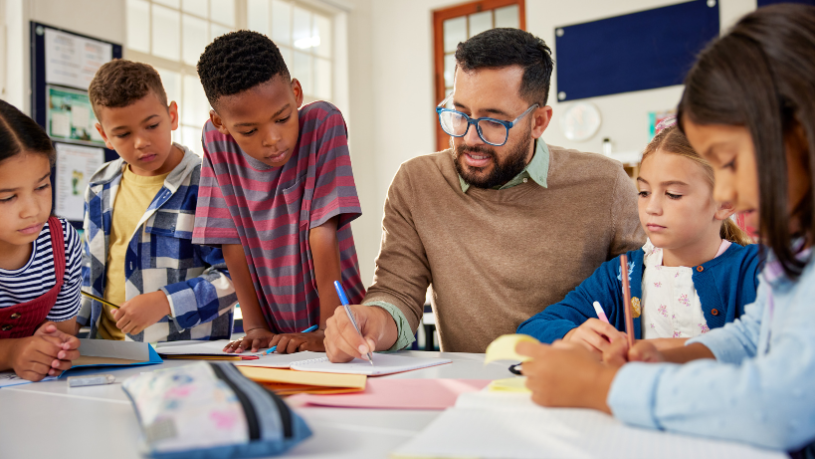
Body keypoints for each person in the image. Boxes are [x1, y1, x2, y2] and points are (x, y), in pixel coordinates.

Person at [518, 5, 815, 454]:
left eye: (730, 163)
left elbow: (781, 405)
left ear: (801, 131)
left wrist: (603, 390)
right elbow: (756, 333)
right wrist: (669, 354)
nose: (728, 193)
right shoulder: (793, 252)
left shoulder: (762, 260)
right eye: (644, 191)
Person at [324, 28, 645, 361]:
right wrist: (370, 321)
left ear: (538, 122)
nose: (470, 138)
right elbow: (397, 294)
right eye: (460, 113)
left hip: (577, 383)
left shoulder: (605, 185)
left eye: (494, 121)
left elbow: (650, 292)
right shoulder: (417, 183)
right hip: (471, 393)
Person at [517, 123, 760, 354]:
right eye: (644, 192)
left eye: (673, 194)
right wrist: (570, 336)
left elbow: (774, 346)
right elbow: (531, 331)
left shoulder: (759, 270)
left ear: (726, 203)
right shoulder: (622, 274)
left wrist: (660, 350)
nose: (651, 207)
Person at [192, 31, 365, 354]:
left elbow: (322, 230)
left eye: (282, 118)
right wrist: (255, 326)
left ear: (296, 93)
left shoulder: (322, 124)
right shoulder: (216, 143)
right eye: (249, 130)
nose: (272, 138)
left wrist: (330, 328)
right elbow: (231, 239)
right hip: (276, 338)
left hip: (345, 324)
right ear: (220, 122)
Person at [78, 59, 237, 342]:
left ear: (172, 115)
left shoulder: (208, 183)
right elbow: (90, 274)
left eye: (152, 125)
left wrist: (166, 302)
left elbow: (235, 278)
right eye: (123, 134)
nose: (141, 142)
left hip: (180, 360)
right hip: (103, 352)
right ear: (104, 135)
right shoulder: (98, 186)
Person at [0, 99, 81, 381]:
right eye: (7, 197)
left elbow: (62, 332)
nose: (33, 210)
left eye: (42, 186)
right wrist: (11, 353)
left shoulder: (62, 242)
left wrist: (57, 349)